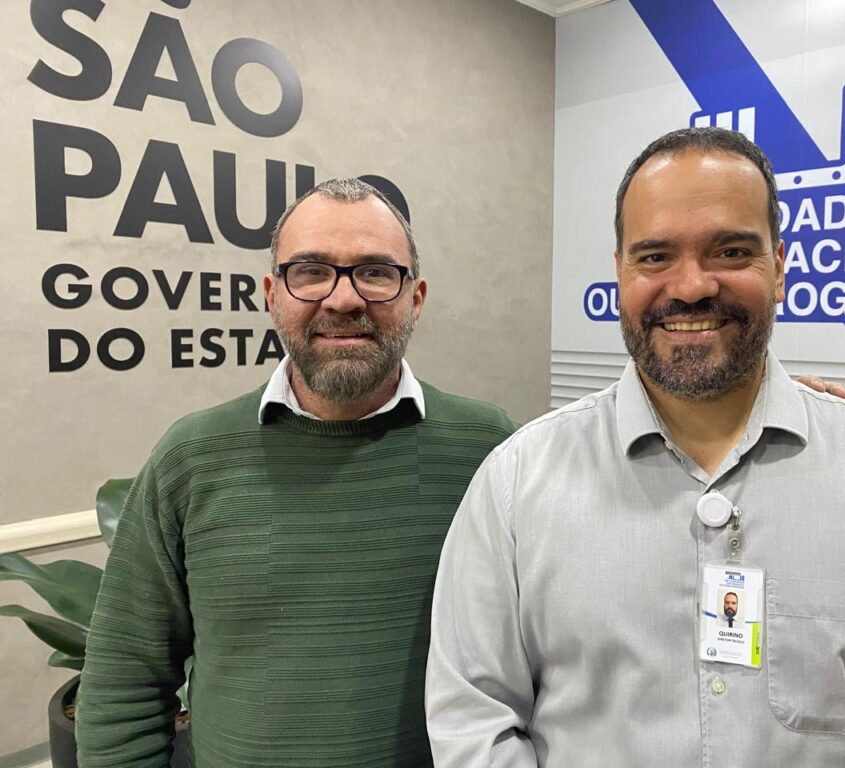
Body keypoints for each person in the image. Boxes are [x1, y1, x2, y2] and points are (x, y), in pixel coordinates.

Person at [425, 128, 845, 767]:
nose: (691, 286)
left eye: (731, 251)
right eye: (655, 256)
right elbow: (475, 722)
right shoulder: (517, 484)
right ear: (620, 273)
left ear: (779, 267)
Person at [75, 178, 517, 767]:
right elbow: (123, 683)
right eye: (310, 272)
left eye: (376, 272)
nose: (343, 299)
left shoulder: (488, 450)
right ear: (271, 295)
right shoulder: (190, 459)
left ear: (415, 298)